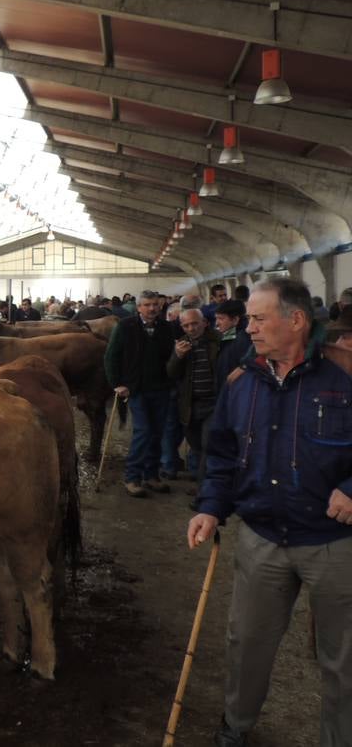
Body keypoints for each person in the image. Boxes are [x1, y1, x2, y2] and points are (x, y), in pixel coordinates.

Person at [188, 279, 352, 747]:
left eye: (260, 319)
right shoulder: (242, 382)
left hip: (334, 542)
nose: (250, 328)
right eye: (251, 320)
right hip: (262, 539)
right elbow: (220, 454)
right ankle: (235, 727)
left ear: (295, 320)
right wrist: (211, 509)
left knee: (343, 657)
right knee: (247, 643)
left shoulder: (345, 375)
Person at [105, 289, 177, 497]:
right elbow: (111, 357)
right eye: (147, 305)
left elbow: (170, 357)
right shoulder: (125, 326)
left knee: (157, 433)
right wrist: (116, 383)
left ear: (160, 305)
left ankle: (151, 475)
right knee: (143, 432)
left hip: (161, 388)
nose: (152, 308)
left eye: (155, 304)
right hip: (136, 389)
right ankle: (132, 477)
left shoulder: (166, 328)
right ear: (138, 308)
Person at [167, 308, 220, 485]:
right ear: (182, 327)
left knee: (208, 445)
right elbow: (171, 373)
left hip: (213, 404)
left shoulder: (218, 341)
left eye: (195, 323)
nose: (191, 328)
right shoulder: (180, 344)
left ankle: (205, 491)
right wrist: (178, 356)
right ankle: (201, 479)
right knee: (196, 446)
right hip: (189, 405)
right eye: (186, 325)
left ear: (204, 322)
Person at [214, 298, 252, 386]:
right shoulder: (229, 337)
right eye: (216, 318)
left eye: (221, 318)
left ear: (235, 320)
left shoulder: (242, 340)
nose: (216, 323)